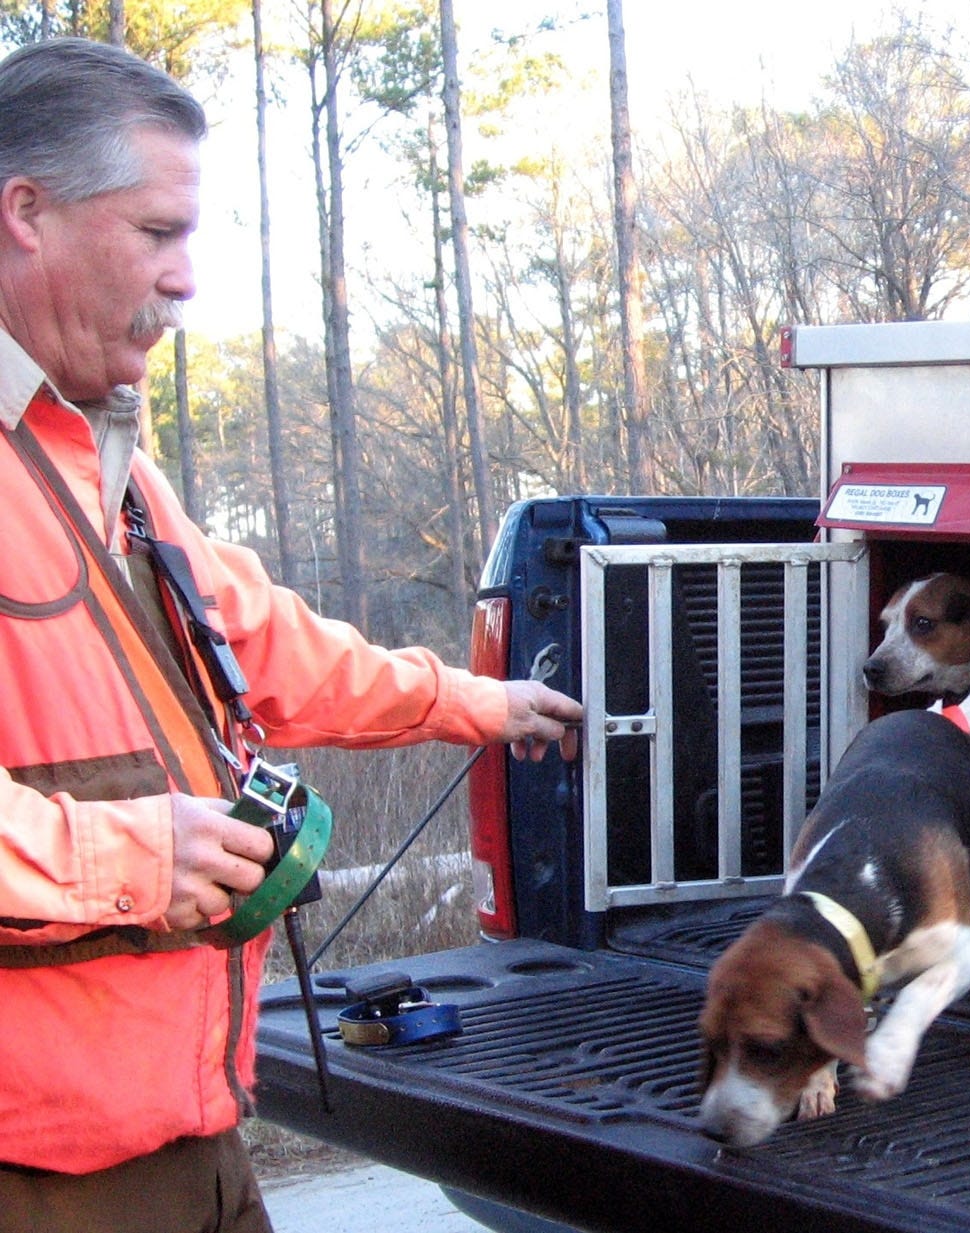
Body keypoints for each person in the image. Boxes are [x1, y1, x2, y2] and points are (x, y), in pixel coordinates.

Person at [0, 37, 584, 1233]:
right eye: (159, 233)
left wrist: (478, 704)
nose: (186, 281)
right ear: (26, 212)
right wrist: (122, 858)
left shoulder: (97, 460)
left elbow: (260, 643)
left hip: (187, 1137)